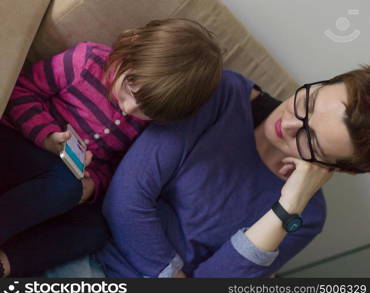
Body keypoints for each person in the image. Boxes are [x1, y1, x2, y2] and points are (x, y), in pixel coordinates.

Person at [42, 65, 370, 278]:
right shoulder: (221, 93)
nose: (289, 123)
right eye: (308, 102)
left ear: (333, 167)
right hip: (87, 251)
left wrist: (288, 206)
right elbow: (126, 198)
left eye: (310, 138)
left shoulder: (306, 215)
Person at [0, 18, 223, 277]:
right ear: (130, 50)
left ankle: (5, 263)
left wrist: (93, 184)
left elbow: (114, 168)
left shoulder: (147, 126)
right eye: (130, 90)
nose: (128, 109)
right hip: (19, 145)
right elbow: (20, 91)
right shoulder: (87, 61)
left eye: (146, 111)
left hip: (59, 187)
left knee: (96, 230)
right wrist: (47, 135)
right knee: (65, 185)